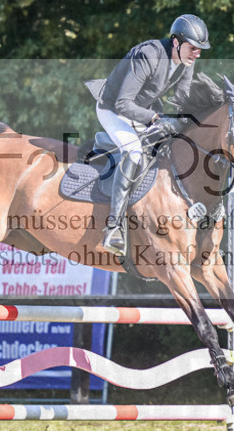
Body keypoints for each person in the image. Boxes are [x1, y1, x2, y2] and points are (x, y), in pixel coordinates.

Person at [85, 14, 211, 255]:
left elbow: (181, 100)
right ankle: (114, 228)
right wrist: (155, 119)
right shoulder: (149, 55)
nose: (197, 54)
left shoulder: (186, 61)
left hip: (144, 110)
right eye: (194, 48)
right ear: (176, 42)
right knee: (133, 153)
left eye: (200, 49)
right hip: (113, 109)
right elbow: (123, 104)